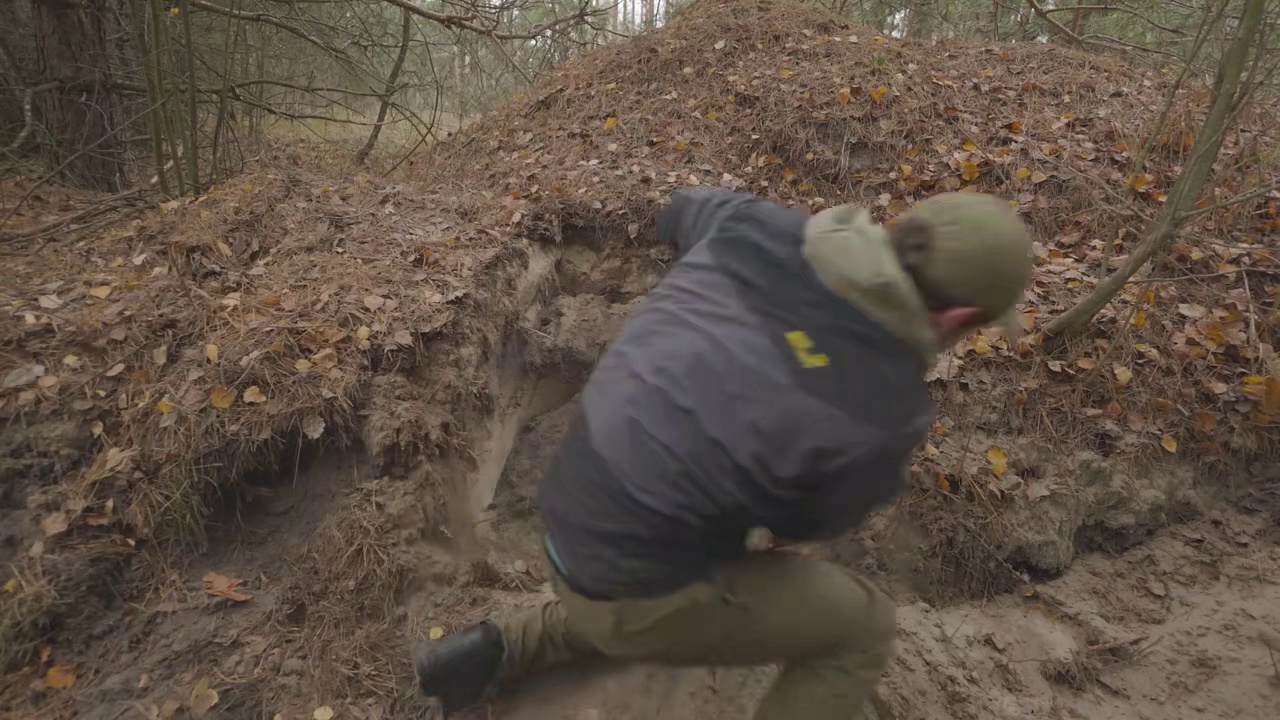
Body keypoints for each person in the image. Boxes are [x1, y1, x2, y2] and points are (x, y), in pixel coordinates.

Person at [414, 188, 1032, 719]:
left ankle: (484, 654)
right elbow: (806, 525)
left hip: (569, 509)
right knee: (863, 628)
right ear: (961, 316)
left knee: (644, 564)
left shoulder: (756, 226)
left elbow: (681, 209)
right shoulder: (886, 404)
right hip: (631, 580)